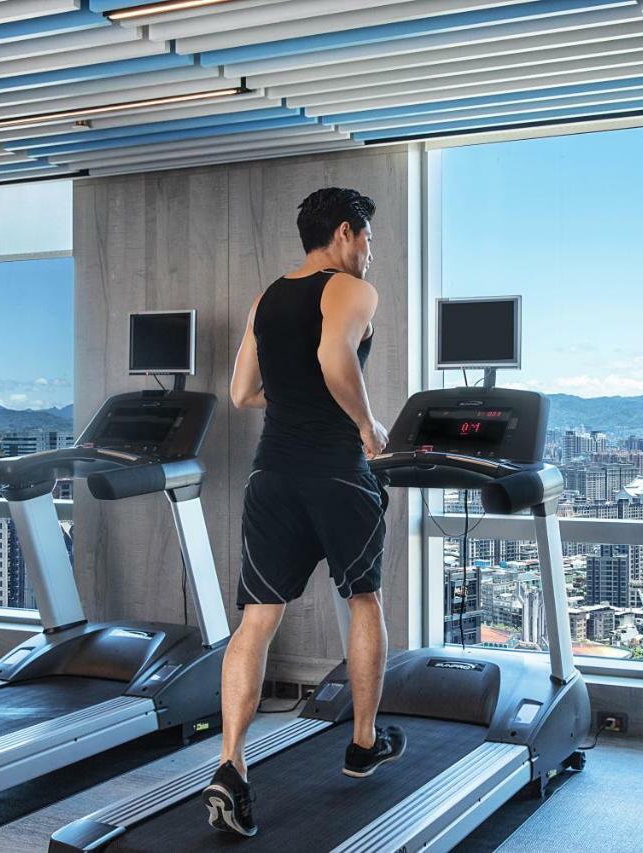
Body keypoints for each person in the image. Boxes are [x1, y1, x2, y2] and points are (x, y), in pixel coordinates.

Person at [200, 187, 407, 837]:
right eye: (368, 238)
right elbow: (334, 356)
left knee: (257, 619)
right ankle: (364, 742)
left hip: (272, 476)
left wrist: (291, 401)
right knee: (364, 601)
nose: (371, 252)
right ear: (345, 233)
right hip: (339, 475)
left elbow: (240, 391)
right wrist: (370, 427)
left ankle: (230, 764)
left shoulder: (267, 296)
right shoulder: (348, 289)